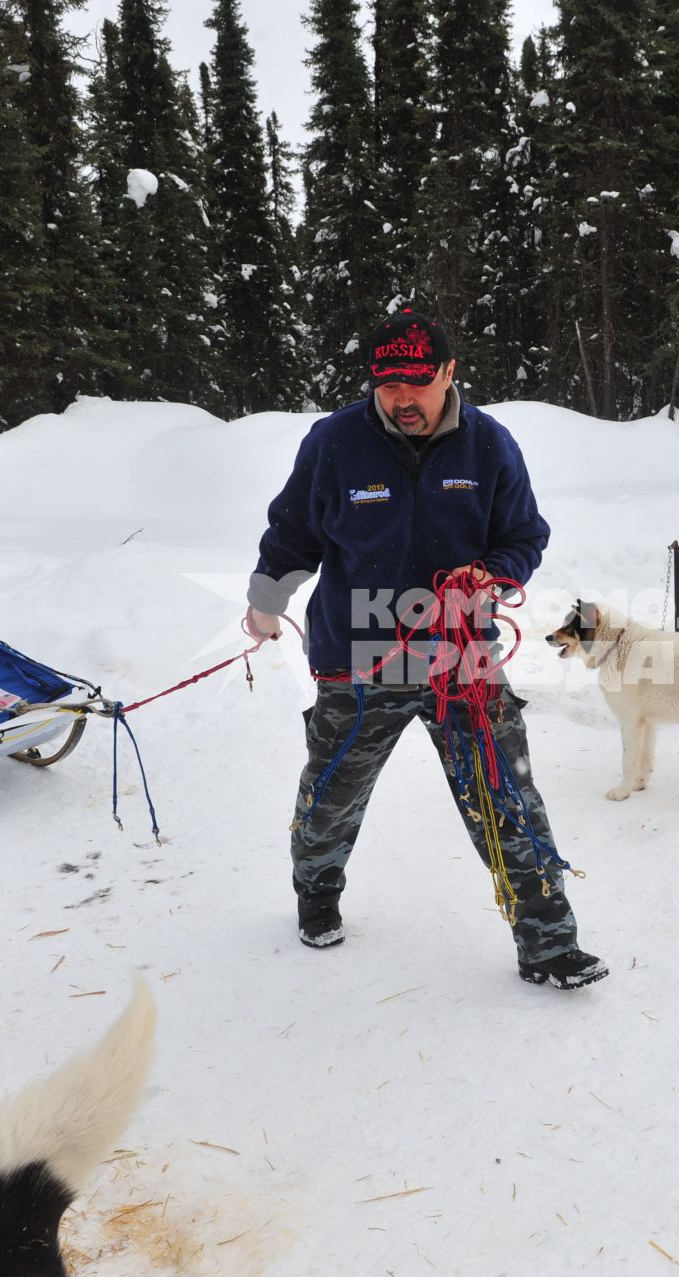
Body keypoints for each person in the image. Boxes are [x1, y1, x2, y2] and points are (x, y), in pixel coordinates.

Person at [245, 312, 607, 990]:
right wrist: (267, 600)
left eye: (416, 382)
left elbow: (525, 537)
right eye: (387, 385)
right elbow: (292, 531)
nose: (401, 398)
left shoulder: (488, 446)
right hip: (357, 656)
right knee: (332, 795)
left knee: (508, 798)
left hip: (462, 657)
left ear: (448, 372)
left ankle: (550, 942)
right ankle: (316, 888)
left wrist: (493, 574)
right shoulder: (335, 443)